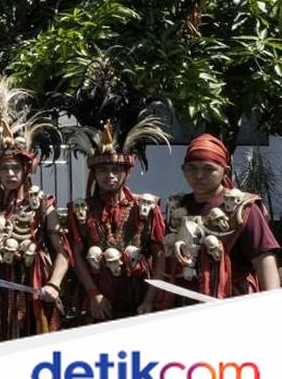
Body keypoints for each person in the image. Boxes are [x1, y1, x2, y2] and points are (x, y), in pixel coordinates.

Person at [0, 80, 69, 342]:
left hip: (33, 282)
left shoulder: (42, 203)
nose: (10, 173)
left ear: (26, 171)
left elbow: (63, 251)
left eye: (16, 168)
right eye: (4, 168)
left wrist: (54, 284)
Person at [66, 116, 171, 321]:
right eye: (103, 170)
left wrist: (150, 300)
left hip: (138, 296)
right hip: (97, 299)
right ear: (94, 173)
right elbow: (76, 255)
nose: (110, 176)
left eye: (116, 170)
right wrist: (93, 294)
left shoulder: (146, 207)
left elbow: (160, 256)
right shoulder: (82, 209)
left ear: (127, 173)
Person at [161, 134, 280, 299]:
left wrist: (272, 304)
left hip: (233, 300)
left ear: (225, 171)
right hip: (184, 300)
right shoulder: (178, 207)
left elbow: (263, 258)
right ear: (183, 169)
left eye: (209, 168)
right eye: (192, 168)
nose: (199, 175)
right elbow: (165, 256)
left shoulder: (243, 209)